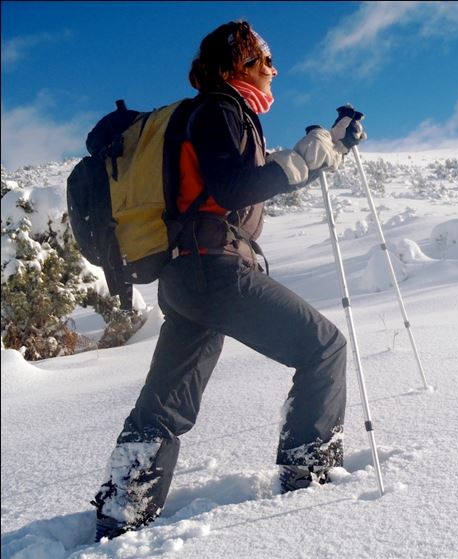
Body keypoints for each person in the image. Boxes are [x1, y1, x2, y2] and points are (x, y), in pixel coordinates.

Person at [91, 20, 365, 541]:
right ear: (237, 65)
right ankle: (308, 471)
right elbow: (234, 184)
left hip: (186, 276)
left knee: (165, 404)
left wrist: (328, 149)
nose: (273, 70)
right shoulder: (220, 109)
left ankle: (123, 509)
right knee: (324, 348)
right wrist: (304, 160)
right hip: (212, 270)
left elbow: (232, 180)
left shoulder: (210, 115)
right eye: (264, 61)